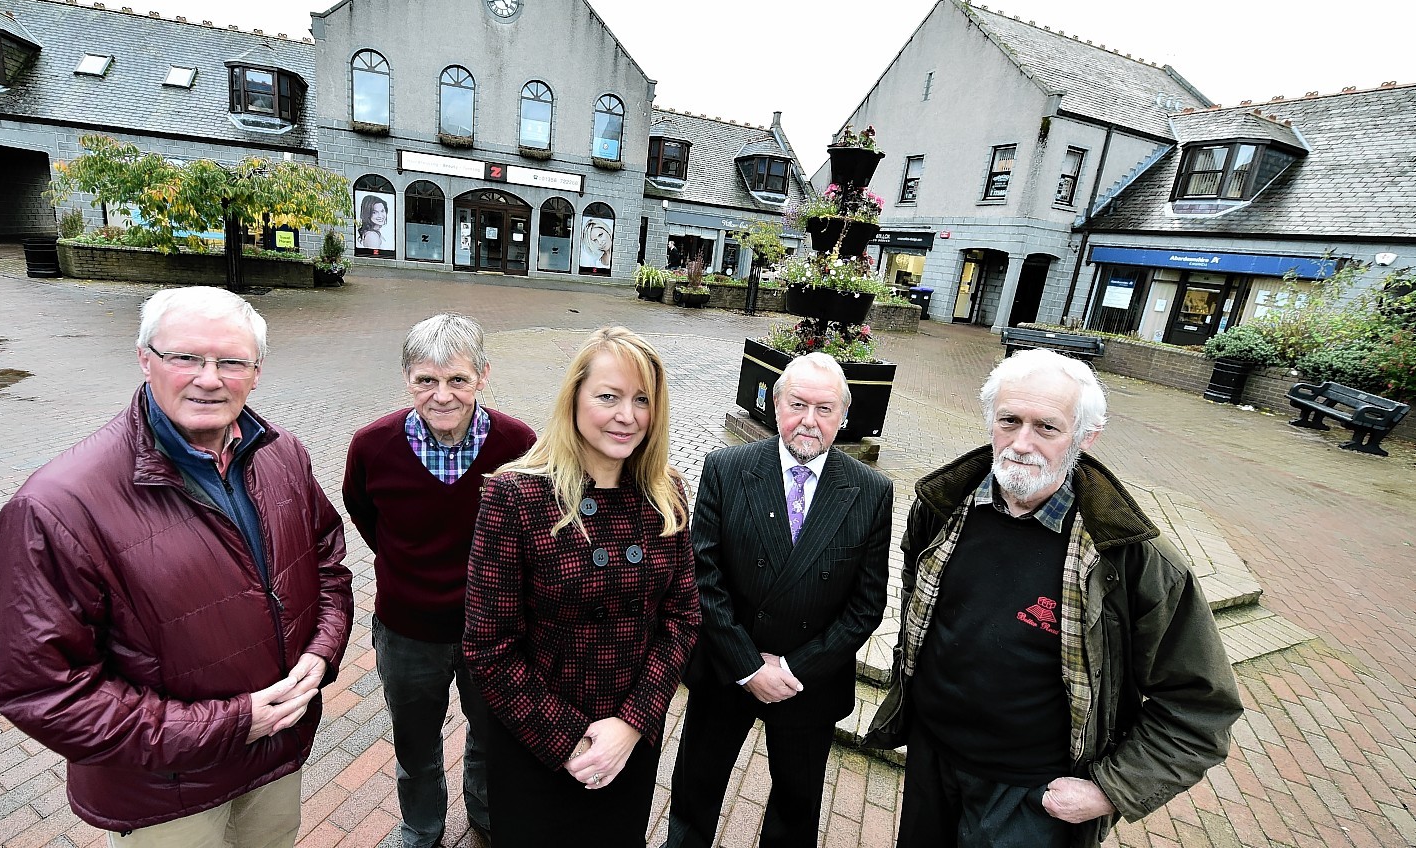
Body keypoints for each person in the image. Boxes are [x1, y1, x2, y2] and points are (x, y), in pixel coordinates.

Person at [0, 286, 353, 847]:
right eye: (185, 357)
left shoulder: (283, 454)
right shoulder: (56, 508)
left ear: (257, 371)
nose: (210, 378)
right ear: (143, 358)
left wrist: (320, 653)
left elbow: (327, 565)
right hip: (164, 793)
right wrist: (229, 725)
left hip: (278, 755)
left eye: (231, 361)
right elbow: (45, 692)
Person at [865, 348, 1243, 848]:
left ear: (1086, 437)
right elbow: (922, 610)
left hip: (1032, 798)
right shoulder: (942, 507)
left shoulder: (1132, 558)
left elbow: (1202, 708)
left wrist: (1111, 789)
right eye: (1009, 421)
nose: (1022, 443)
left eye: (1047, 427)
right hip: (933, 762)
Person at [463, 326, 700, 847]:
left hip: (628, 743)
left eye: (642, 400)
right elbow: (489, 648)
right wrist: (569, 739)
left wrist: (631, 724)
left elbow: (683, 619)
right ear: (574, 398)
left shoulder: (668, 493)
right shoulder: (517, 496)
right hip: (536, 744)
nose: (627, 415)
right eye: (609, 396)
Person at [666, 352, 893, 848]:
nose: (809, 421)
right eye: (797, 404)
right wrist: (750, 665)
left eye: (825, 409)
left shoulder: (872, 491)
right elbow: (702, 574)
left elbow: (867, 603)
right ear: (774, 403)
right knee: (695, 788)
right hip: (728, 670)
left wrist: (793, 669)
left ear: (845, 416)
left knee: (797, 803)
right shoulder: (727, 468)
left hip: (807, 683)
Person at [342, 313, 536, 848]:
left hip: (492, 630)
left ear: (483, 376)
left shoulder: (518, 445)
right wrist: (405, 564)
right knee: (415, 742)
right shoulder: (372, 445)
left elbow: (531, 529)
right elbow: (361, 509)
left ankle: (488, 812)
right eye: (426, 379)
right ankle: (422, 826)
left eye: (457, 379)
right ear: (408, 379)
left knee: (492, 735)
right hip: (407, 631)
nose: (442, 395)